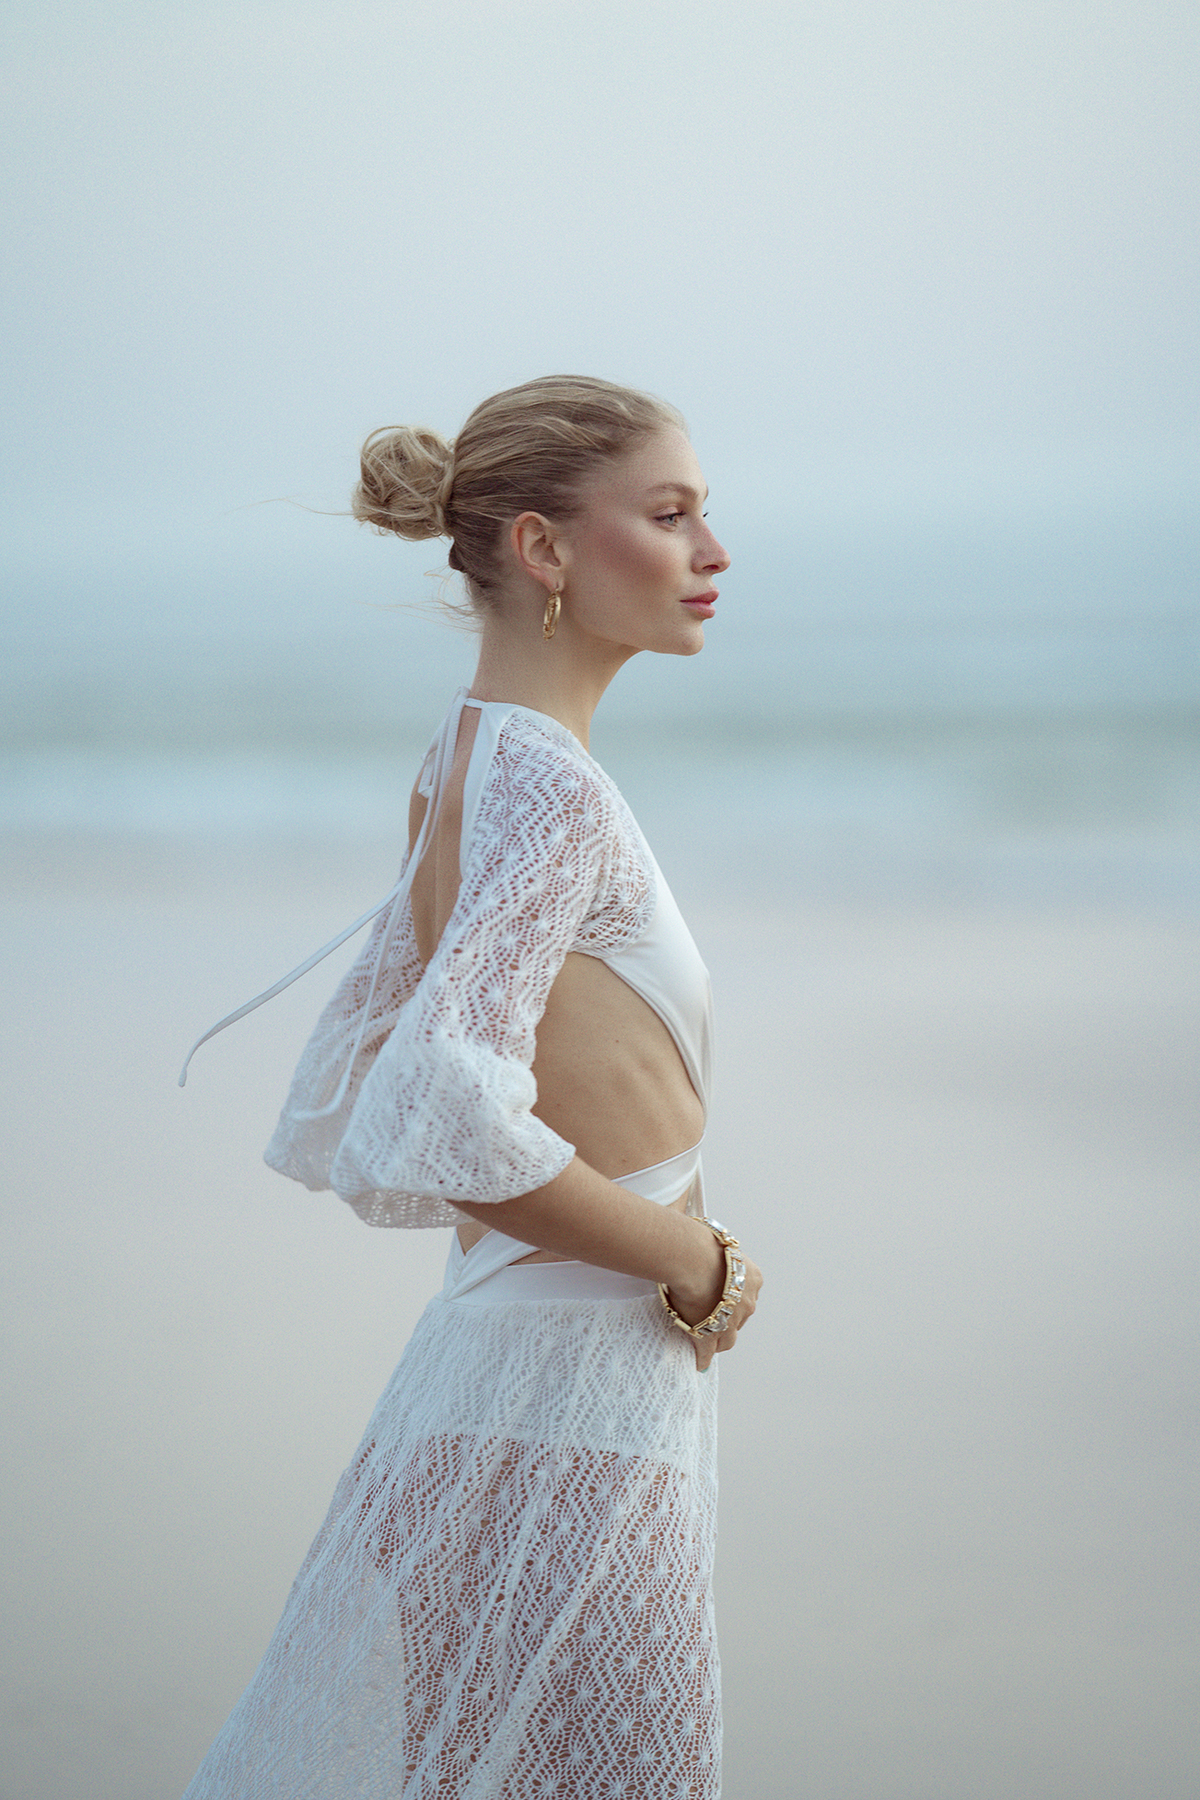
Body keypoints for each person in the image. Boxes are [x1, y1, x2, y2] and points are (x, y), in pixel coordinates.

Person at [178, 374, 762, 1799]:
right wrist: (699, 1260)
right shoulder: (547, 788)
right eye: (672, 514)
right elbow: (443, 1109)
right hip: (568, 1403)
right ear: (544, 551)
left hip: (491, 1383)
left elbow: (420, 1084)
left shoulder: (468, 759)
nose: (715, 552)